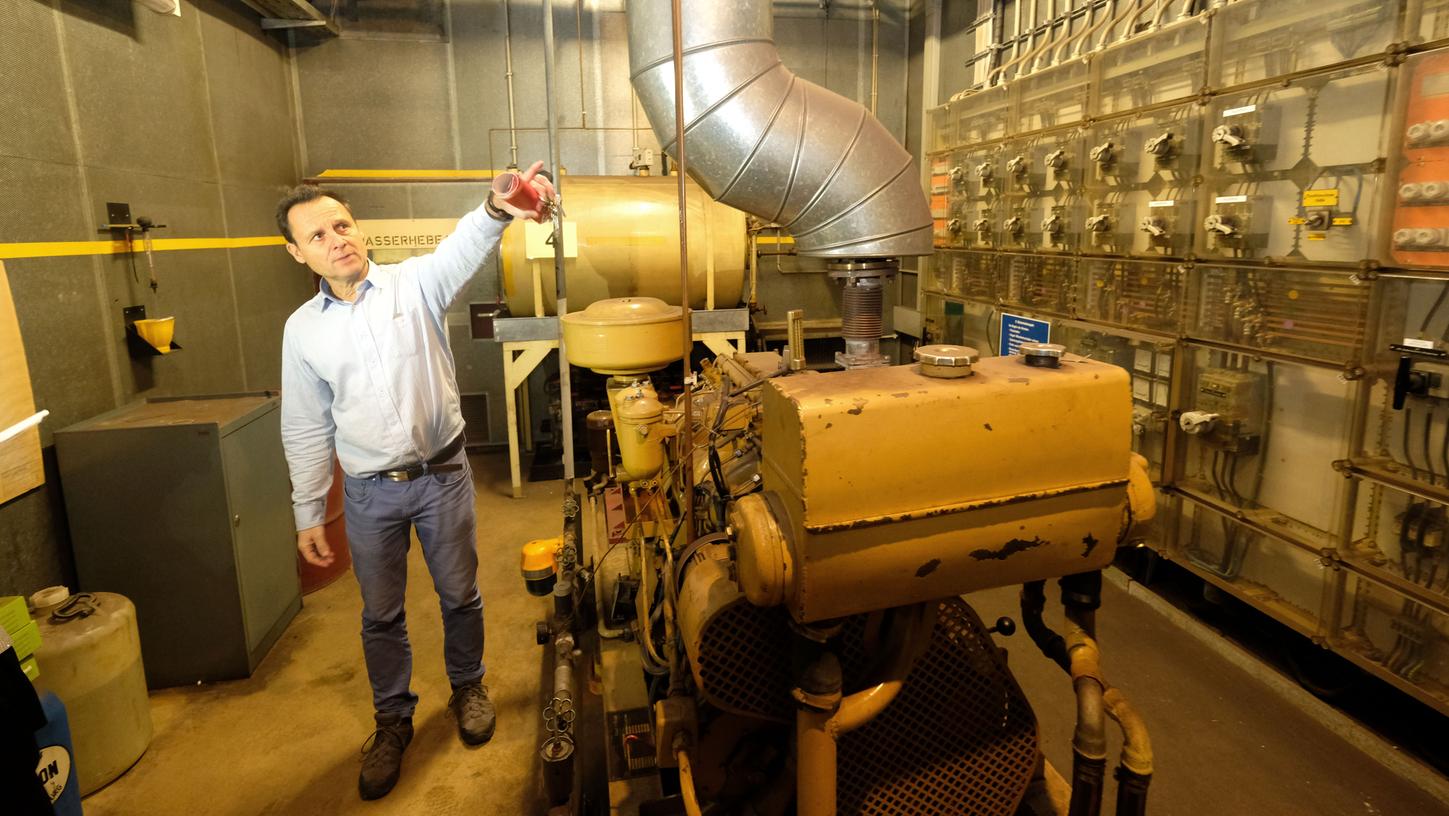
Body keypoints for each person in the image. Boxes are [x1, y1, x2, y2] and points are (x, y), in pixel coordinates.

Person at [275, 162, 554, 800]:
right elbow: (305, 426)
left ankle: (468, 688)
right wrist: (308, 511)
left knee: (460, 594)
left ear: (359, 228)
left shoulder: (414, 285)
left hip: (443, 476)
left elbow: (464, 244)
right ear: (298, 254)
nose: (336, 239)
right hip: (370, 492)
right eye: (317, 236)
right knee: (381, 615)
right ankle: (394, 720)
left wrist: (498, 207)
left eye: (342, 224)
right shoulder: (303, 331)